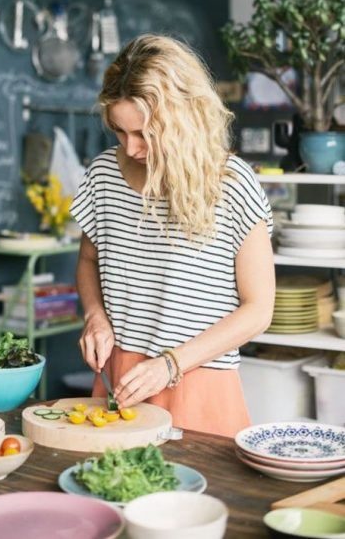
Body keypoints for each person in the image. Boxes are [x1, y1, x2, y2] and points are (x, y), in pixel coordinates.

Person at [70, 34, 275, 437]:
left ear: (183, 120)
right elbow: (88, 261)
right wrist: (95, 315)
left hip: (197, 381)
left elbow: (258, 310)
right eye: (119, 130)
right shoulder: (103, 175)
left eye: (145, 134)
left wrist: (169, 364)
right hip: (122, 378)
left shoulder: (231, 183)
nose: (130, 148)